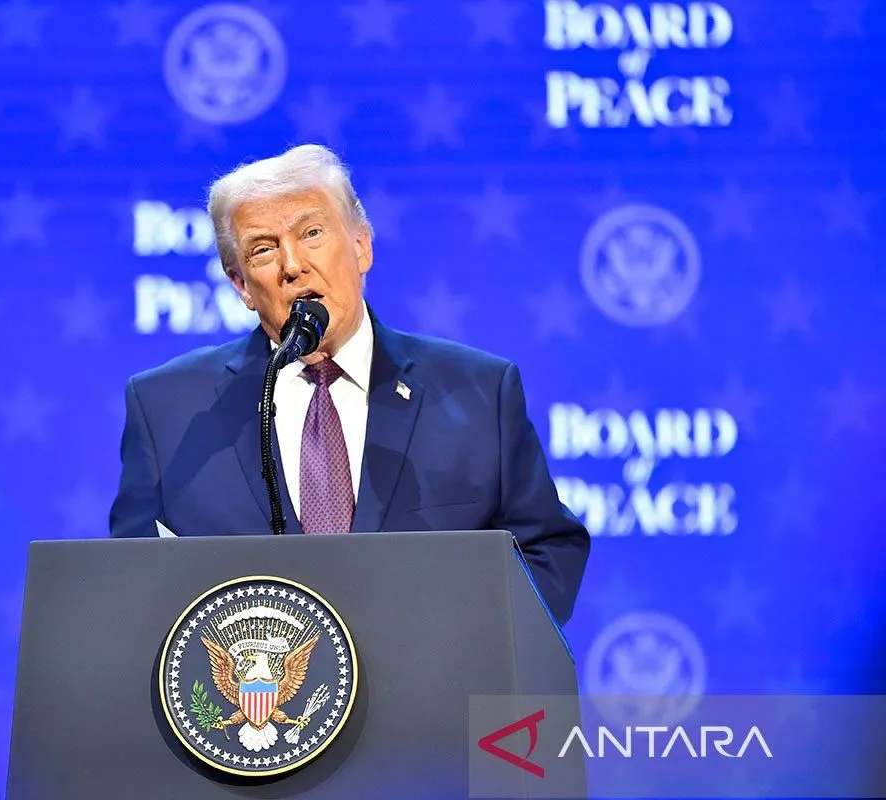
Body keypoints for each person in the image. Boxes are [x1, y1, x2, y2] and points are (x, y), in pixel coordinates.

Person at [109, 144, 590, 625]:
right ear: (241, 286)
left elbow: (546, 552)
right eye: (263, 250)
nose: (292, 265)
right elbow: (131, 588)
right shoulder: (168, 410)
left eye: (312, 233)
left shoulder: (477, 392)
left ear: (361, 246)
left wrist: (465, 642)